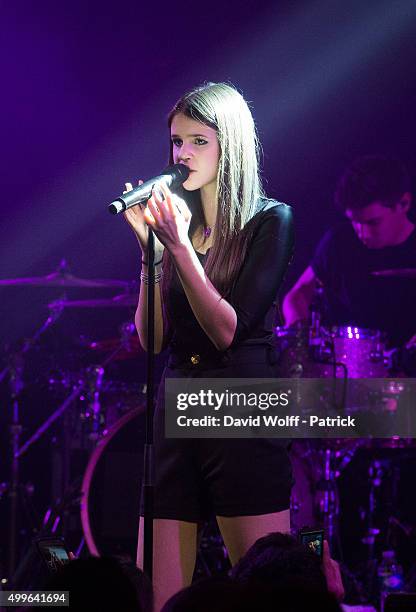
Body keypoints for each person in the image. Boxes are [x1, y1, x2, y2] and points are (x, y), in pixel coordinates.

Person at [123, 82, 294, 610]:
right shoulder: (181, 228)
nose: (182, 156)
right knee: (159, 591)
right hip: (177, 398)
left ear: (231, 146)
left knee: (262, 585)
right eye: (176, 142)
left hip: (240, 400)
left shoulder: (270, 220)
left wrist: (179, 247)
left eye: (198, 141)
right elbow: (152, 339)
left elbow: (226, 330)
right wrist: (154, 256)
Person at [282, 155, 415, 349]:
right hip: (343, 368)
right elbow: (298, 295)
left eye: (372, 222)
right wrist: (299, 335)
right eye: (355, 221)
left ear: (403, 204)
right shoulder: (339, 241)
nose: (361, 232)